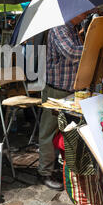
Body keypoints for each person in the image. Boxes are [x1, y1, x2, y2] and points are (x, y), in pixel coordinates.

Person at [38, 12, 89, 190]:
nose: (87, 13)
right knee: (48, 132)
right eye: (84, 11)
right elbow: (73, 53)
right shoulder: (59, 28)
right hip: (56, 90)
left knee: (68, 131)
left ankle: (62, 166)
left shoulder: (74, 29)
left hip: (71, 88)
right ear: (74, 10)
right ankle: (44, 172)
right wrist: (94, 46)